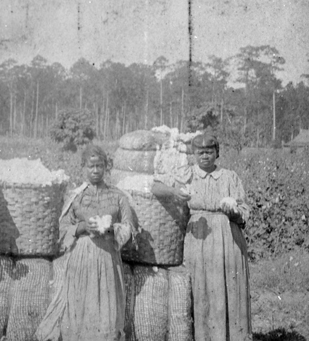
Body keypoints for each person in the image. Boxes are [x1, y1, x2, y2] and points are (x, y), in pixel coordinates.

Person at [152, 133, 252, 341]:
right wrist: (174, 193)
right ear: (194, 154)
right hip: (198, 239)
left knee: (228, 287)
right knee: (201, 287)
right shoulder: (187, 175)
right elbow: (156, 187)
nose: (205, 156)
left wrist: (232, 210)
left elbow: (244, 212)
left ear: (217, 152)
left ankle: (230, 336)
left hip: (228, 240)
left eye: (209, 151)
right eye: (200, 152)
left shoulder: (229, 176)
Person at [35, 144, 138, 341]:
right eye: (91, 166)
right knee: (79, 304)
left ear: (106, 168)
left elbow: (130, 229)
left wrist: (110, 229)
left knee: (105, 306)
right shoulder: (76, 197)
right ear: (83, 167)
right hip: (82, 257)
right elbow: (63, 229)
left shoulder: (118, 196)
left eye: (100, 166)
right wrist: (82, 228)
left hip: (108, 257)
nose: (96, 170)